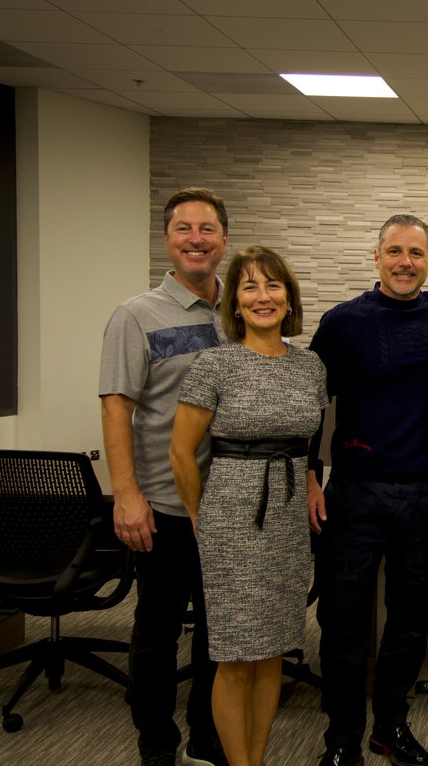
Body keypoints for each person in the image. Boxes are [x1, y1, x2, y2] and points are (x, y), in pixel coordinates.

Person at [307, 215, 428, 766]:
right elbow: (309, 403)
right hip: (356, 495)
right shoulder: (342, 322)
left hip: (424, 495)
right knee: (345, 624)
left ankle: (391, 727)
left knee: (409, 623)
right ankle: (342, 738)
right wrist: (310, 473)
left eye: (417, 253)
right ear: (376, 257)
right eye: (395, 251)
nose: (406, 262)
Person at [169, 246, 327, 766]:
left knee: (274, 651)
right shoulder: (215, 363)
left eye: (273, 285)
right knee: (236, 655)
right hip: (232, 517)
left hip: (285, 521)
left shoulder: (311, 366)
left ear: (289, 298)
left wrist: (307, 480)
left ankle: (256, 759)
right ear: (234, 302)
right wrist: (200, 516)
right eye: (250, 287)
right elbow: (181, 452)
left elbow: (304, 441)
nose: (263, 297)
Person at [100, 187, 230, 766]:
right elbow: (116, 406)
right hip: (164, 505)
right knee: (156, 634)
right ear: (168, 239)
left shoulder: (240, 311)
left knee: (216, 633)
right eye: (184, 229)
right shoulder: (136, 315)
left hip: (227, 507)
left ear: (223, 239)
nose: (196, 239)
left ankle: (208, 735)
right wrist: (126, 495)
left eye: (206, 229)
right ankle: (157, 744)